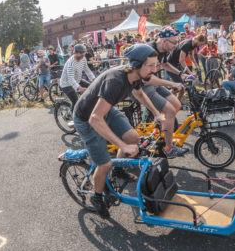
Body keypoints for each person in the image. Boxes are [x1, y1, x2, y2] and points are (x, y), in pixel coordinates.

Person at [73, 44, 165, 218]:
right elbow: (94, 119)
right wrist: (122, 145)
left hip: (104, 111)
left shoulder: (135, 76)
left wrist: (156, 113)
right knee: (104, 163)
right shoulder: (115, 81)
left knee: (133, 138)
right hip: (87, 118)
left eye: (156, 64)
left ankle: (118, 169)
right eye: (151, 65)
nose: (155, 69)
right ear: (137, 65)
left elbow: (139, 94)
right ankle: (98, 197)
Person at [144, 27, 189, 158]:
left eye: (177, 42)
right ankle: (169, 149)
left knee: (176, 104)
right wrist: (172, 83)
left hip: (155, 82)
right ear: (164, 41)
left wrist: (181, 74)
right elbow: (147, 78)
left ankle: (160, 128)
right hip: (143, 86)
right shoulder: (150, 51)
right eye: (174, 42)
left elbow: (165, 64)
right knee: (169, 111)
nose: (176, 46)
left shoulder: (162, 49)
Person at [59, 44, 96, 110]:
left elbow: (87, 69)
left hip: (77, 80)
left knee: (91, 88)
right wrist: (80, 88)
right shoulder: (71, 63)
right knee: (75, 101)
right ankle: (74, 117)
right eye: (81, 54)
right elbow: (71, 79)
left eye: (84, 54)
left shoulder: (83, 58)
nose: (83, 56)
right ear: (75, 53)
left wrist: (94, 79)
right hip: (66, 84)